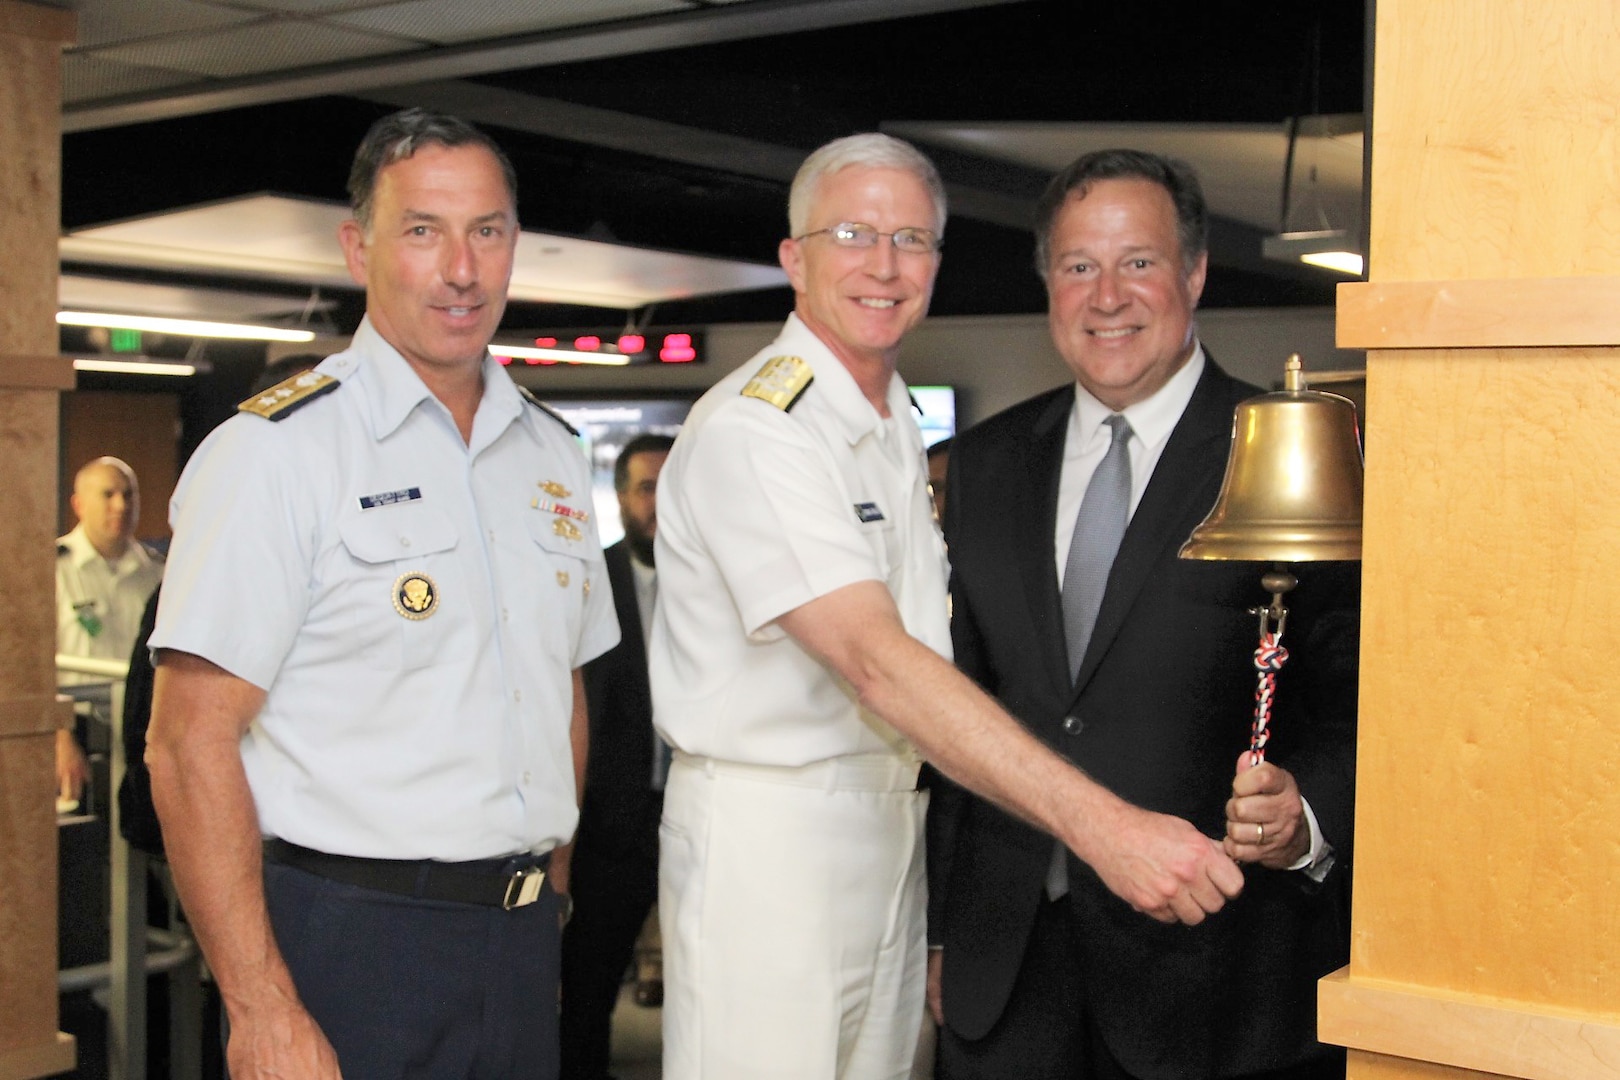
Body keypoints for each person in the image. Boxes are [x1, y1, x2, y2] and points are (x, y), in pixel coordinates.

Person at [650, 133, 1246, 1080]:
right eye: (853, 234)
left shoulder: (888, 424)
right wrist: (1101, 827)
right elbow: (879, 664)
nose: (884, 267)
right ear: (792, 259)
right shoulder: (761, 431)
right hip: (772, 844)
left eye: (913, 241)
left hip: (887, 839)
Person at [145, 108, 618, 1080]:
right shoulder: (276, 453)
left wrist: (551, 898)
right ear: (358, 247)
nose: (462, 268)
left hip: (519, 940)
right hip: (348, 943)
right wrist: (260, 1004)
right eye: (423, 230)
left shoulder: (552, 454)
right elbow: (187, 742)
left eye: (488, 231)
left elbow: (557, 685)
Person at [926, 149, 1360, 1080]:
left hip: (1217, 974)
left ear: (1195, 272)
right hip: (1006, 973)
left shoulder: (1288, 454)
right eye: (1079, 265)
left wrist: (1307, 815)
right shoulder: (986, 464)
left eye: (1139, 262)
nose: (1106, 295)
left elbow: (1357, 691)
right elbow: (958, 699)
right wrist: (938, 933)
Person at [560, 432, 675, 1080]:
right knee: (587, 993)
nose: (658, 502)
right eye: (645, 487)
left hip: (703, 822)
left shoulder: (722, 580)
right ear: (621, 497)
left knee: (718, 993)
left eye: (669, 485)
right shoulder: (587, 580)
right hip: (609, 831)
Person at [56, 455, 164, 802]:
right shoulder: (52, 569)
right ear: (78, 504)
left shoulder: (158, 573)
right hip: (77, 729)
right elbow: (26, 665)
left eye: (129, 494)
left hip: (142, 730)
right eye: (108, 494)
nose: (121, 504)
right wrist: (59, 738)